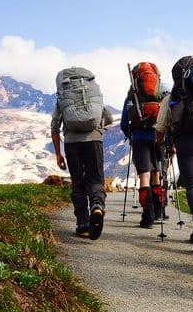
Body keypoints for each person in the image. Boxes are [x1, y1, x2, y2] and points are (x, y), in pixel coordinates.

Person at [155, 56, 193, 251]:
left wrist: (160, 143)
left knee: (192, 185)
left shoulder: (173, 96)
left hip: (185, 142)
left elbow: (160, 128)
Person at [51, 70, 115, 241]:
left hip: (72, 143)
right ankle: (97, 206)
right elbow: (108, 117)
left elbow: (55, 127)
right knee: (95, 179)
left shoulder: (62, 98)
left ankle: (83, 225)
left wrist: (58, 154)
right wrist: (98, 127)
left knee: (78, 183)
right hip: (94, 141)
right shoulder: (92, 94)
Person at [121, 62, 167, 228]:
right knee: (156, 173)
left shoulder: (133, 94)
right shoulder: (160, 93)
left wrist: (131, 135)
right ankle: (158, 210)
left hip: (139, 138)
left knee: (144, 175)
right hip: (157, 137)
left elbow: (124, 121)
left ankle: (147, 215)